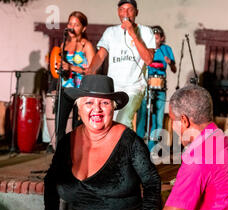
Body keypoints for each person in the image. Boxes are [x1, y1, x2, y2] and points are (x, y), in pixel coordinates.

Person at [34, 75, 171, 210]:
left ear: (113, 108)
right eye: (89, 102)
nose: (96, 109)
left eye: (104, 103)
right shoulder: (67, 143)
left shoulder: (130, 142)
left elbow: (152, 182)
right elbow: (51, 180)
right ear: (79, 109)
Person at [86, 0, 155, 130]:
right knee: (109, 122)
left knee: (123, 120)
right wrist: (90, 71)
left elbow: (148, 60)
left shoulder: (146, 32)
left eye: (129, 9)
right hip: (113, 87)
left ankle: (124, 150)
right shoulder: (110, 32)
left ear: (136, 12)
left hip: (135, 87)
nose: (126, 13)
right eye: (122, 9)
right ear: (118, 12)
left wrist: (133, 33)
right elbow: (100, 55)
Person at [55, 11, 95, 147]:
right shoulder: (63, 45)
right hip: (65, 88)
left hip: (81, 91)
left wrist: (72, 67)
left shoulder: (86, 45)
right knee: (59, 126)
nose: (72, 27)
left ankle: (78, 159)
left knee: (77, 127)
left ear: (83, 28)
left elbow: (93, 71)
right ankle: (60, 159)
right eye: (70, 23)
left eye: (76, 25)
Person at [136, 25, 177, 151]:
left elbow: (174, 70)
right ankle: (138, 148)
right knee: (142, 116)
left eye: (157, 38)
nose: (154, 40)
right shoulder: (145, 49)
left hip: (160, 88)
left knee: (158, 119)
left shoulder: (166, 49)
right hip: (146, 87)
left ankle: (152, 148)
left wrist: (170, 63)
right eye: (152, 37)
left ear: (162, 38)